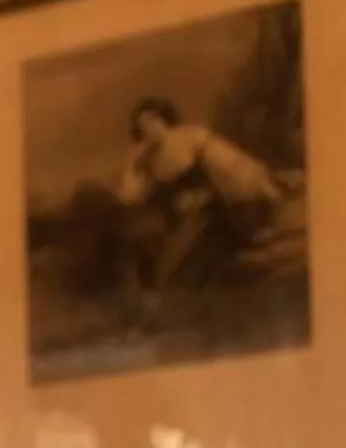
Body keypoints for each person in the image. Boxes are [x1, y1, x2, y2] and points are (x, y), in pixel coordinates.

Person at [112, 96, 287, 319]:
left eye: (152, 121)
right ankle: (160, 303)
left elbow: (230, 167)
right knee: (146, 243)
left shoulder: (192, 137)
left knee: (185, 259)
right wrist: (131, 164)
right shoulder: (148, 160)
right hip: (178, 218)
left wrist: (262, 188)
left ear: (164, 118)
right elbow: (129, 197)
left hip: (210, 211)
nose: (148, 129)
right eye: (142, 127)